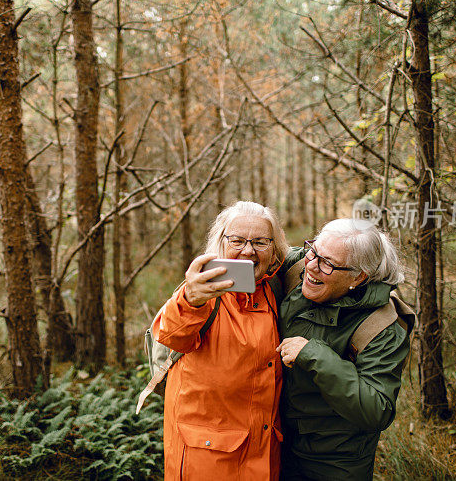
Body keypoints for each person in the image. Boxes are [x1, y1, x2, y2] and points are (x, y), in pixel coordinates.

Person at [152, 201, 289, 480]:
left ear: (274, 249)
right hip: (208, 460)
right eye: (237, 240)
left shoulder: (274, 290)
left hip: (263, 455)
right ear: (220, 243)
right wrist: (190, 299)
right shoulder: (203, 292)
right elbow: (171, 335)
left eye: (260, 242)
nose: (248, 250)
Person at [275, 218, 409, 480]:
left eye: (328, 263)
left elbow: (377, 409)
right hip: (277, 442)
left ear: (358, 276)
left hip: (335, 460)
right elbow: (251, 257)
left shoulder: (381, 326)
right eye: (313, 251)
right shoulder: (298, 267)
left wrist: (315, 355)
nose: (311, 266)